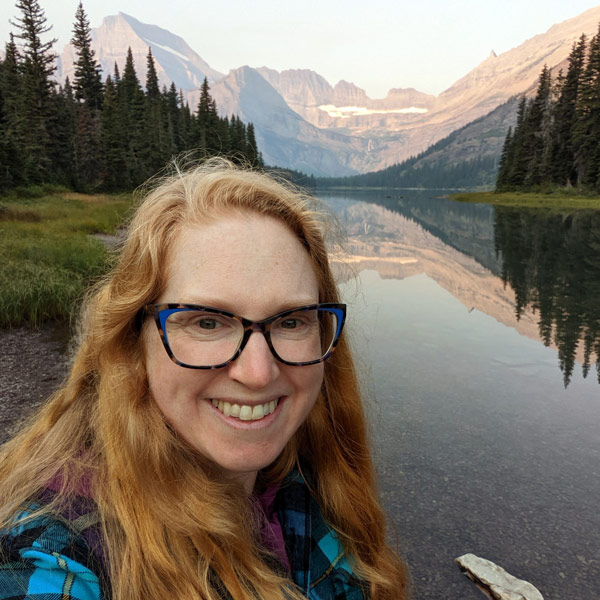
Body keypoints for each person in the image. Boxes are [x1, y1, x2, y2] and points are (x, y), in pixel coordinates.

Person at [0, 159, 409, 600]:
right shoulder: (54, 548)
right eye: (207, 323)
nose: (258, 374)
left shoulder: (310, 474)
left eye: (291, 321)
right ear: (132, 340)